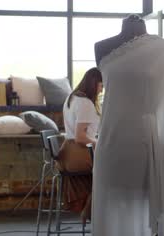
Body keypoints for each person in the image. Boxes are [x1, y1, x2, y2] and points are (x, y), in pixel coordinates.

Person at [92, 16, 164, 236]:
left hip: (149, 146)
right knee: (113, 212)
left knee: (148, 214)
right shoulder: (101, 47)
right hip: (111, 144)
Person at [58, 67, 102, 219]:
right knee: (113, 168)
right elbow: (80, 137)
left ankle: (94, 208)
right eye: (101, 85)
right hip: (79, 153)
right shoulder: (85, 103)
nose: (101, 90)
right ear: (94, 83)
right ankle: (96, 211)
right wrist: (98, 143)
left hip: (69, 152)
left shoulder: (71, 98)